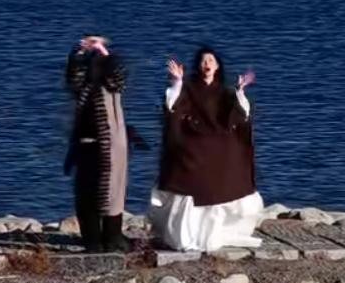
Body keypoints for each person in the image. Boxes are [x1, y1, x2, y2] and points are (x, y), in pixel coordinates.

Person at [150, 49, 265, 250]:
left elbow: (242, 115)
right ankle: (187, 236)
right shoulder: (188, 89)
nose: (207, 63)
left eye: (211, 60)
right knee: (190, 173)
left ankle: (214, 233)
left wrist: (240, 91)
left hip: (218, 146)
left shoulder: (225, 91)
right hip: (193, 145)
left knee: (225, 167)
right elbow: (172, 109)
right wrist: (177, 82)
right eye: (203, 60)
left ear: (217, 66)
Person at [64, 34, 146, 252]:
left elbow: (117, 73)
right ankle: (93, 239)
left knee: (113, 192)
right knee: (88, 193)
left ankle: (111, 237)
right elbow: (73, 76)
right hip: (88, 145)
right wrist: (79, 51)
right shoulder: (83, 88)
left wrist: (102, 51)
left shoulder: (112, 87)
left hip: (111, 146)